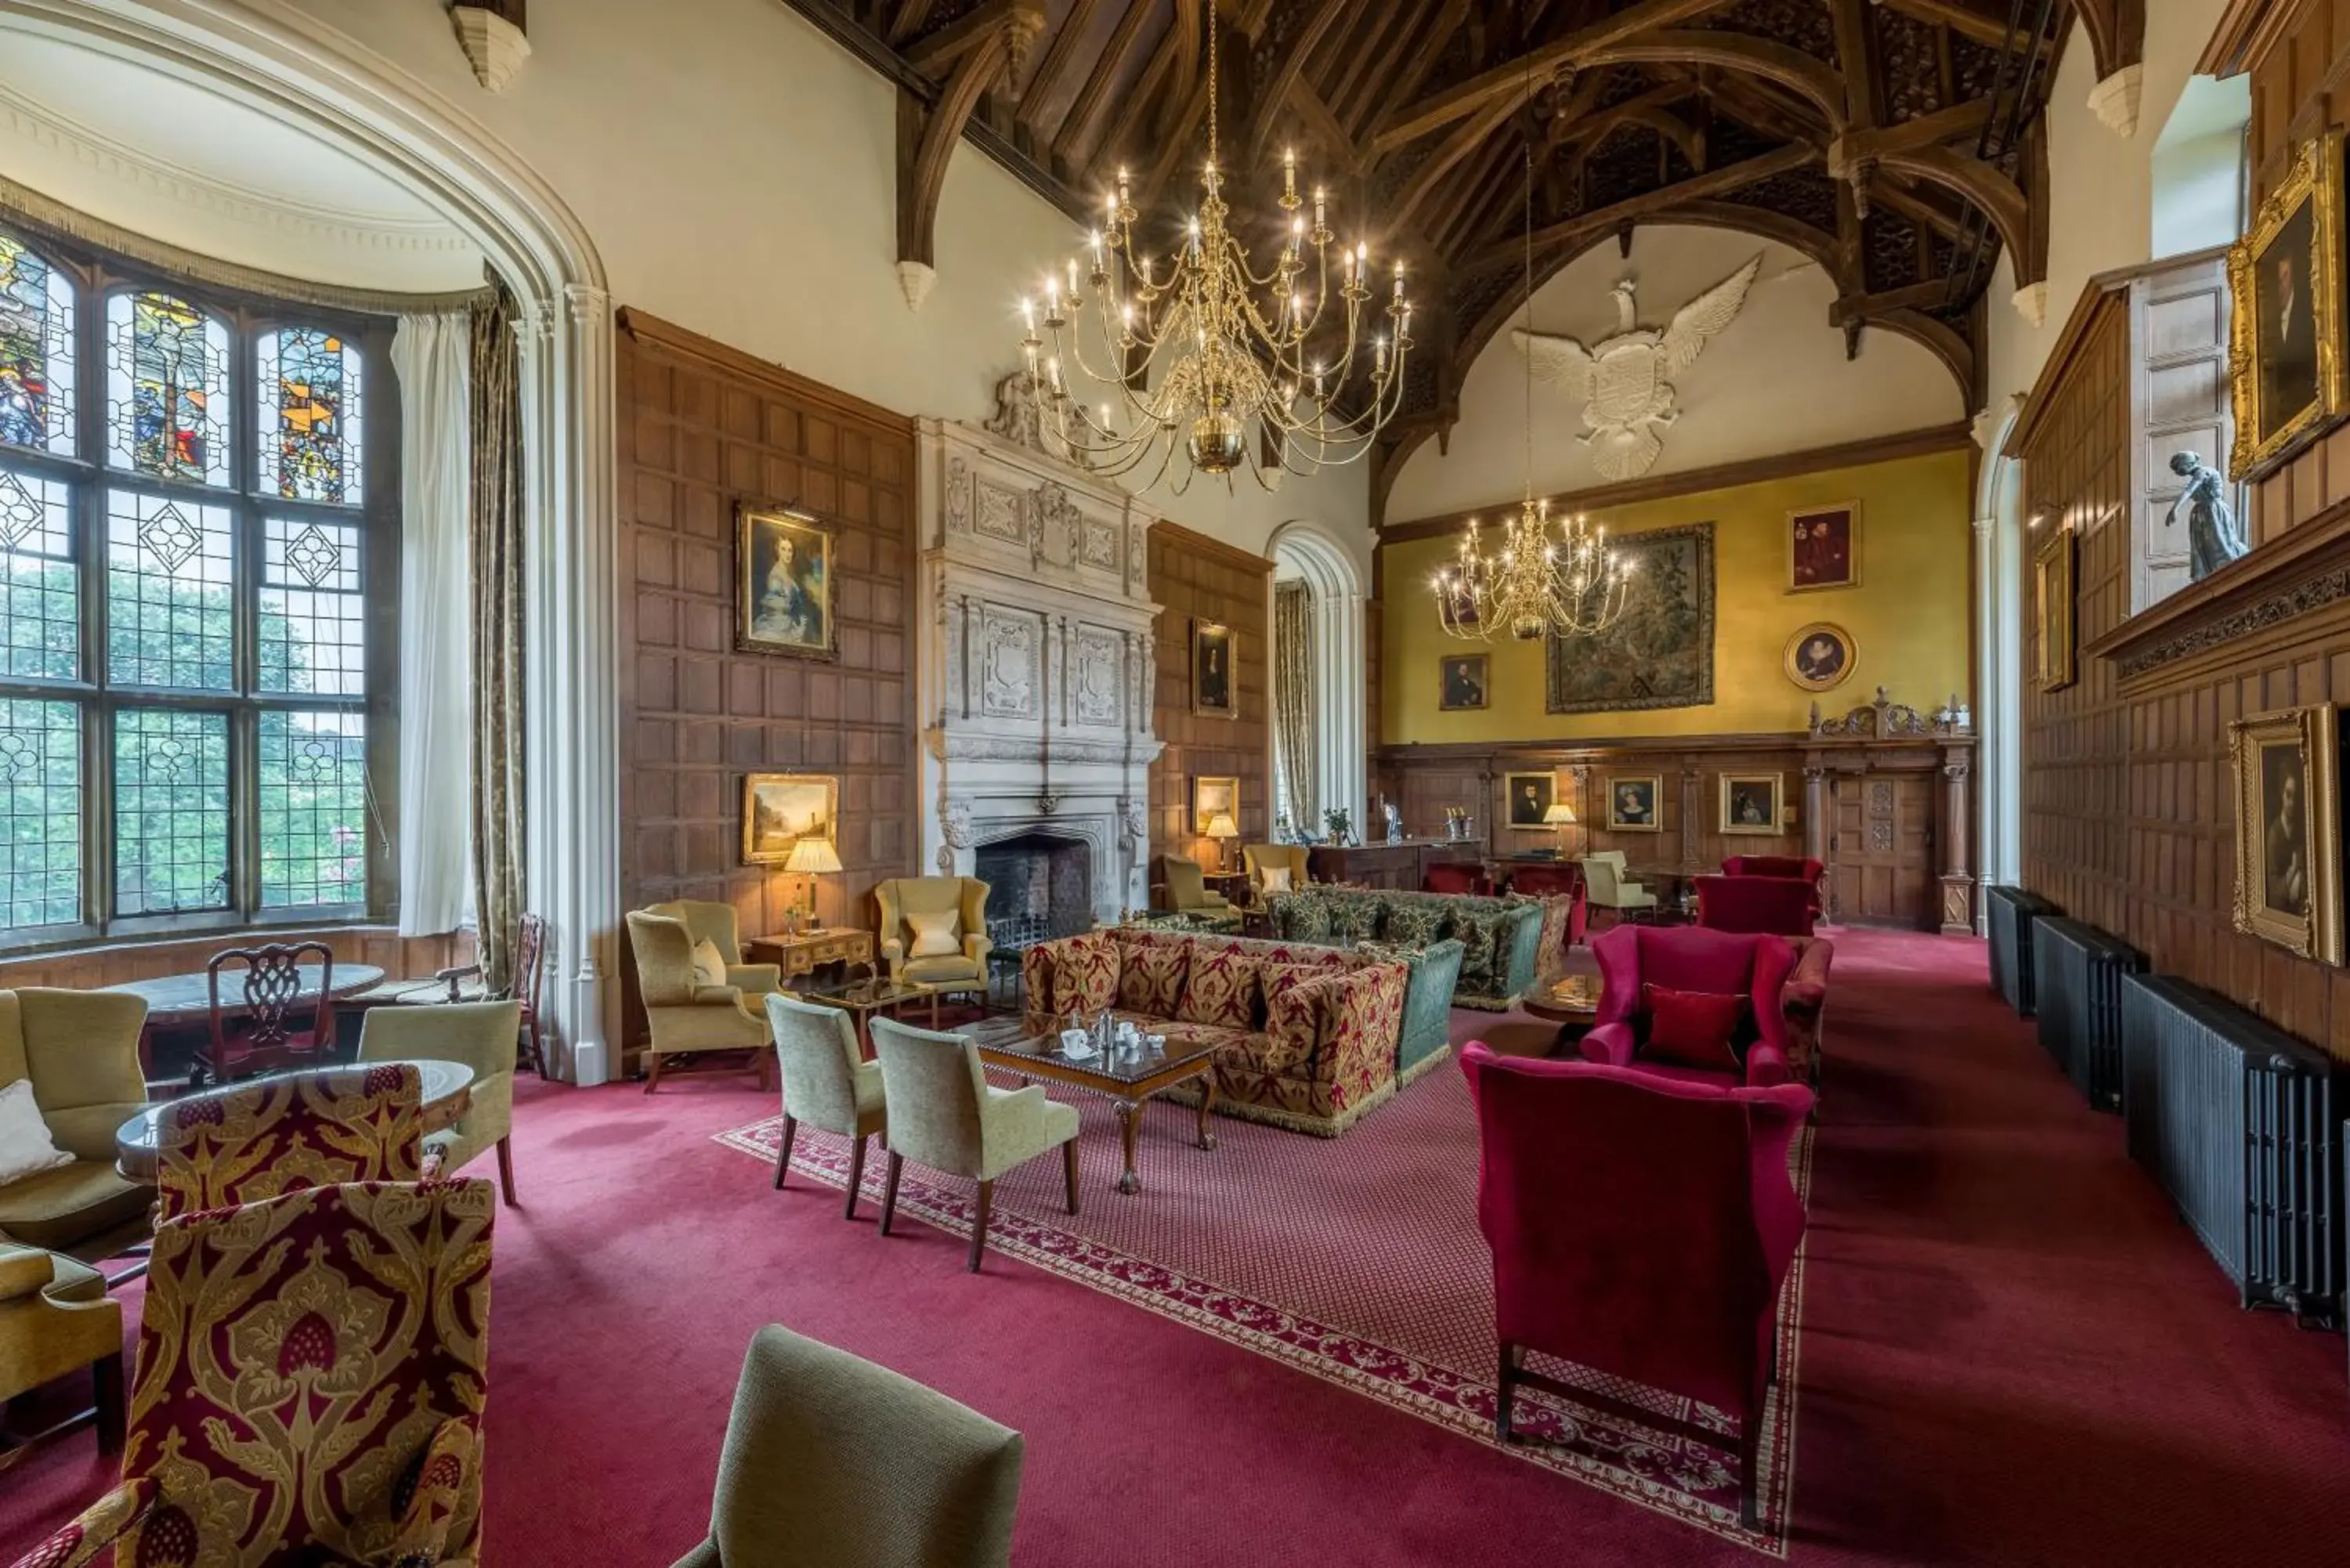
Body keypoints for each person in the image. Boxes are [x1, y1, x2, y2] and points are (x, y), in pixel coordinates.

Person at [2166, 451, 2248, 580]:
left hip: (2214, 512)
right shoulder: (2196, 475)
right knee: (2206, 548)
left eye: (2178, 467)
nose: (2177, 471)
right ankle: (2216, 574)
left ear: (2189, 464)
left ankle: (2232, 572)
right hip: (2203, 513)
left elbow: (2189, 490)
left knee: (2220, 544)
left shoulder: (2203, 472)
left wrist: (2175, 508)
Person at [2266, 756, 2309, 916]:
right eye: (2288, 795)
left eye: (2295, 797)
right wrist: (2292, 870)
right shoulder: (2275, 834)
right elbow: (2273, 888)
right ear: (2281, 794)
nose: (2291, 802)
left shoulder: (2300, 830)